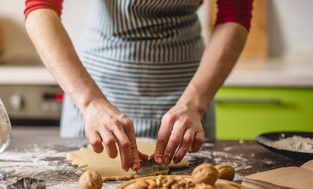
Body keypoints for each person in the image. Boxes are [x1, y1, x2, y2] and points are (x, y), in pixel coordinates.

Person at [24, 0, 253, 172]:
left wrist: (194, 104)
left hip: (189, 89)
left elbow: (235, 12)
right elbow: (40, 7)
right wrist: (91, 102)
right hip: (96, 87)